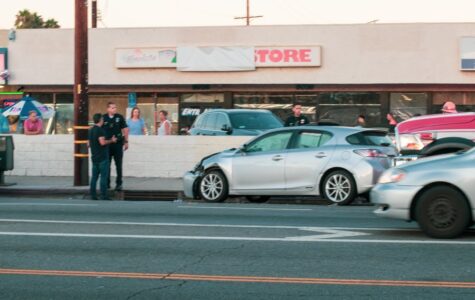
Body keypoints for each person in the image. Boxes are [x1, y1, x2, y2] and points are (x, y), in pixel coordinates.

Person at [88, 113, 117, 200]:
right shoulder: (100, 130)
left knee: (94, 177)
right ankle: (103, 195)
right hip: (102, 157)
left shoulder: (90, 130)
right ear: (100, 120)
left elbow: (88, 144)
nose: (103, 120)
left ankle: (93, 195)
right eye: (102, 119)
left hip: (94, 157)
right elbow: (102, 142)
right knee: (103, 177)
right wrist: (111, 140)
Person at [102, 102, 129, 191]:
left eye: (115, 107)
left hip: (117, 144)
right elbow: (99, 130)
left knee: (118, 165)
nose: (114, 109)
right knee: (107, 165)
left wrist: (126, 141)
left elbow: (125, 129)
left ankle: (119, 183)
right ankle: (107, 183)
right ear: (108, 109)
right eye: (112, 108)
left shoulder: (119, 117)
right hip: (107, 145)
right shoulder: (104, 118)